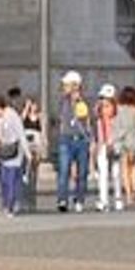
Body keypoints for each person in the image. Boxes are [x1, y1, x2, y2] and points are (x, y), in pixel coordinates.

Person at [54, 71, 93, 213]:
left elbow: (87, 119)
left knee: (82, 172)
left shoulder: (85, 101)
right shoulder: (62, 100)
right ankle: (62, 199)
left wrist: (79, 101)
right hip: (66, 139)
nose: (64, 87)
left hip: (81, 140)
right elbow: (59, 116)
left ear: (75, 86)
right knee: (64, 171)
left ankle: (79, 199)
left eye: (66, 85)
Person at [0, 92, 28, 217]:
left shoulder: (12, 115)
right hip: (4, 153)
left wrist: (27, 152)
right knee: (4, 181)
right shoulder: (0, 119)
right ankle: (6, 205)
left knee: (11, 180)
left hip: (14, 153)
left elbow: (21, 133)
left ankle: (10, 206)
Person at [94, 85, 123, 212]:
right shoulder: (99, 118)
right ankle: (104, 200)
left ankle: (118, 198)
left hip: (115, 146)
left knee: (116, 173)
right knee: (103, 174)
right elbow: (96, 135)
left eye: (108, 105)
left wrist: (114, 141)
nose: (105, 109)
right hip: (103, 147)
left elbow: (122, 131)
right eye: (103, 105)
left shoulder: (118, 117)